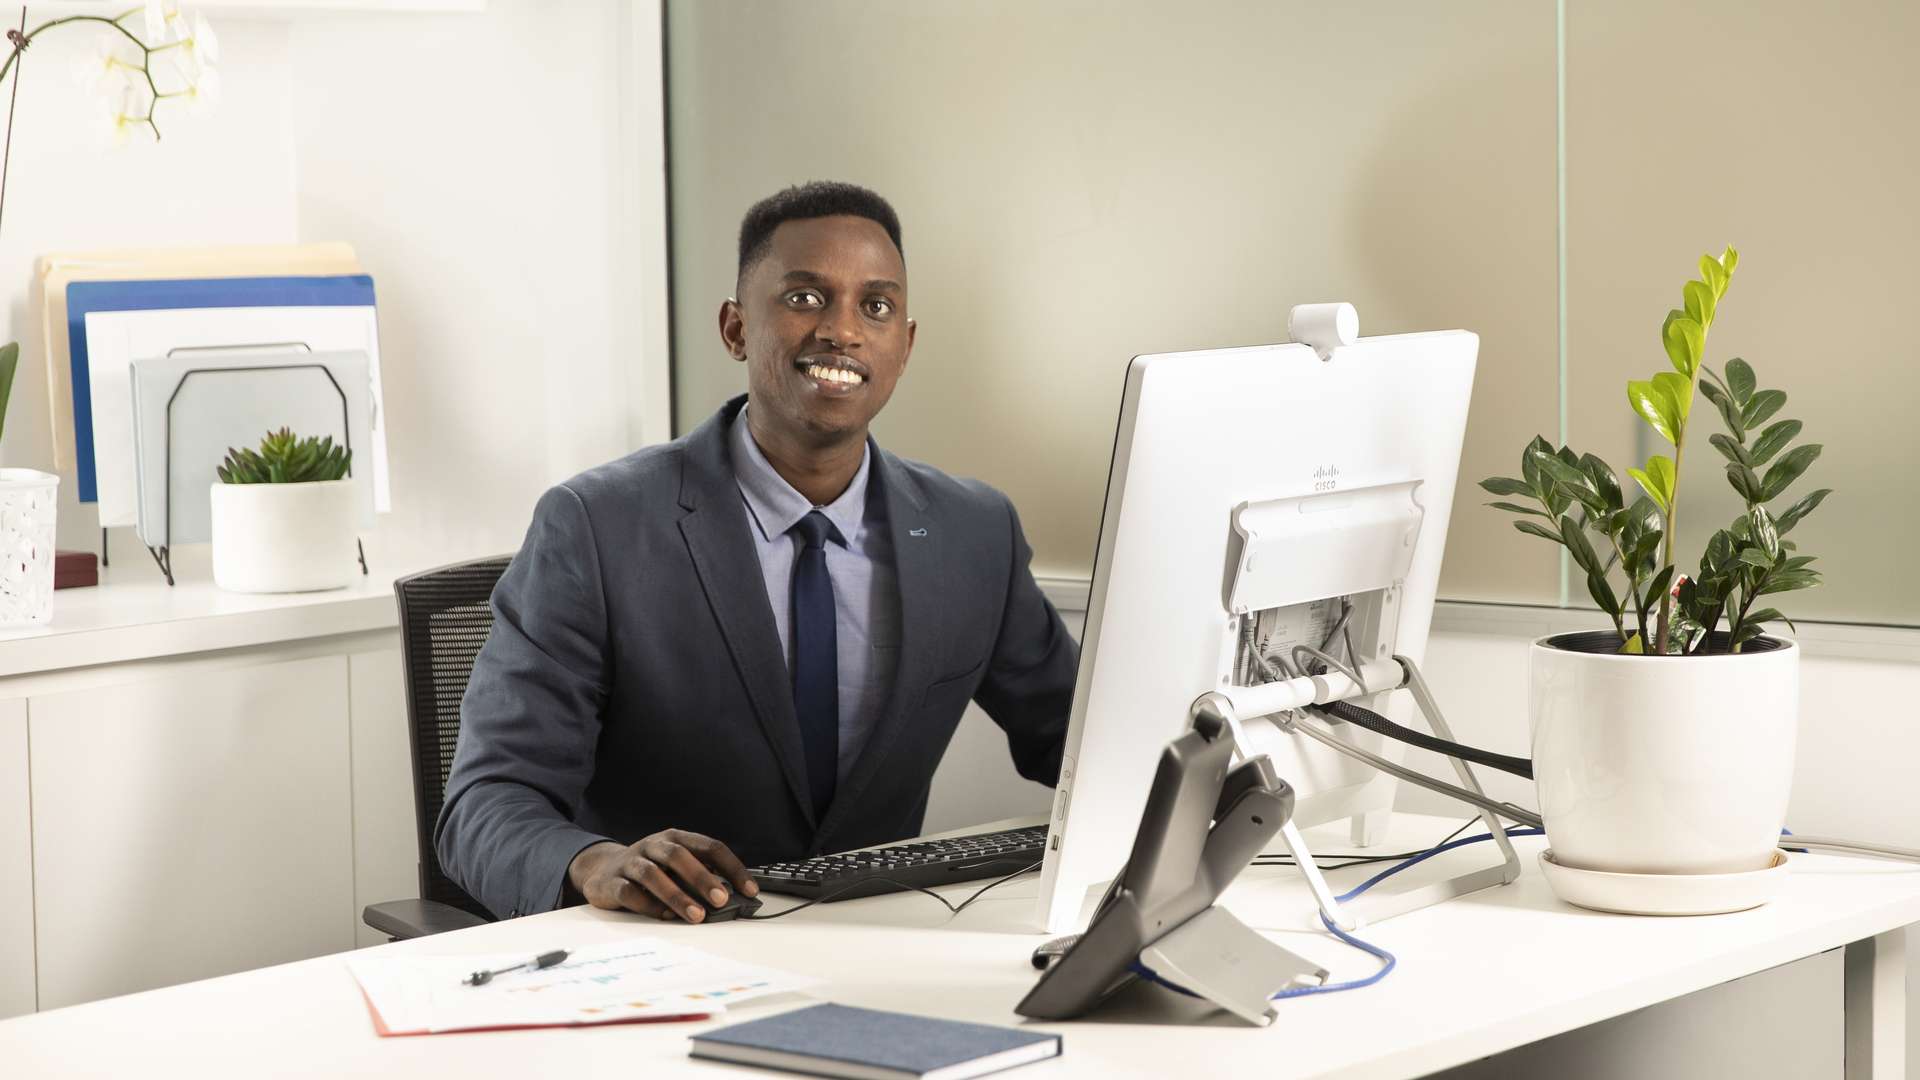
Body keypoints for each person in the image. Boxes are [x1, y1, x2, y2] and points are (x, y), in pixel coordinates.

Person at [435, 181, 1079, 925]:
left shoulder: (975, 533)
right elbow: (484, 806)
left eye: (875, 307)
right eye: (805, 297)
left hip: (881, 943)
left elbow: (1079, 743)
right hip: (667, 949)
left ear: (904, 345)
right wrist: (595, 862)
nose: (842, 330)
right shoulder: (594, 527)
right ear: (736, 329)